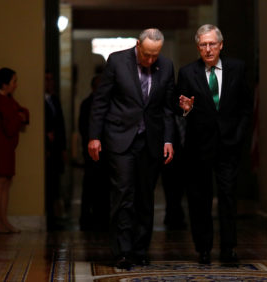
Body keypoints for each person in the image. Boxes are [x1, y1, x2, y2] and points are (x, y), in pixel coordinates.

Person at [88, 28, 175, 269]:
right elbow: (101, 100)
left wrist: (168, 140)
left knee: (146, 198)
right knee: (123, 195)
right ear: (138, 45)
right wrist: (94, 136)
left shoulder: (166, 66)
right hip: (120, 138)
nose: (150, 60)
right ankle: (122, 251)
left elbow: (168, 109)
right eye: (146, 54)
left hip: (151, 141)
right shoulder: (117, 61)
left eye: (154, 55)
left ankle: (140, 249)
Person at [178, 24, 252, 264]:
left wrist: (239, 136)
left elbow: (245, 108)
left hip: (229, 145)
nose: (208, 49)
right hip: (198, 147)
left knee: (228, 197)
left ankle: (229, 249)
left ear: (221, 45)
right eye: (203, 45)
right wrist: (186, 110)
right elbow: (177, 110)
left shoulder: (238, 69)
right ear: (198, 47)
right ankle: (204, 249)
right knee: (200, 199)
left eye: (212, 44)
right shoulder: (187, 73)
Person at [0, 67, 30, 234]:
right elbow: (10, 125)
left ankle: (3, 220)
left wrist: (20, 116)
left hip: (6, 146)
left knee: (6, 182)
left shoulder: (8, 99)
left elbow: (22, 112)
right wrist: (18, 117)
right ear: (5, 84)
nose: (16, 85)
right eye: (14, 81)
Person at [78, 74, 110, 231]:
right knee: (90, 185)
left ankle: (101, 216)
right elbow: (84, 128)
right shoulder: (87, 104)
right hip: (92, 151)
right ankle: (86, 217)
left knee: (103, 186)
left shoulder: (108, 103)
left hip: (106, 152)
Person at [44, 71, 67, 230]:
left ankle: (54, 216)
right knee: (48, 184)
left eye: (51, 79)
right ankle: (50, 217)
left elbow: (61, 125)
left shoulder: (54, 100)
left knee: (54, 184)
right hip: (47, 149)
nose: (50, 82)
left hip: (56, 149)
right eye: (47, 79)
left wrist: (64, 148)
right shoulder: (42, 101)